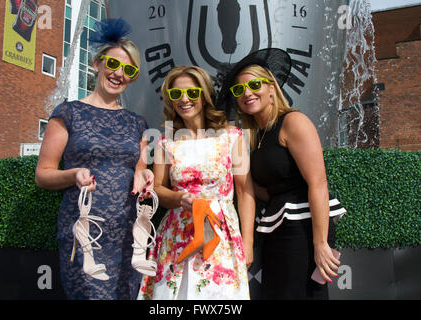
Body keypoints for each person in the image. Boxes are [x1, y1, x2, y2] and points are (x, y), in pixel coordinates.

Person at [35, 18, 153, 300]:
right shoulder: (68, 113)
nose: (118, 74)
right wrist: (72, 174)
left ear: (133, 77)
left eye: (128, 69)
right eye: (113, 64)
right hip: (86, 234)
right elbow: (43, 174)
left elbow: (141, 166)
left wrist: (143, 173)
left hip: (129, 236)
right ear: (97, 64)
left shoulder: (138, 123)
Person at [218, 48, 346, 299]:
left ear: (271, 88)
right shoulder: (257, 135)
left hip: (303, 229)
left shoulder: (293, 122)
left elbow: (318, 183)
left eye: (254, 84)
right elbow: (266, 190)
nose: (246, 93)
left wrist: (320, 244)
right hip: (278, 228)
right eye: (238, 90)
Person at [138, 66, 255, 300]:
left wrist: (248, 243)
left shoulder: (232, 136)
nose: (184, 99)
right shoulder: (164, 141)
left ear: (204, 95)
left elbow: (244, 191)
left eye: (192, 93)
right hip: (177, 234)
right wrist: (178, 198)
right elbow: (158, 189)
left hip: (222, 235)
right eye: (175, 94)